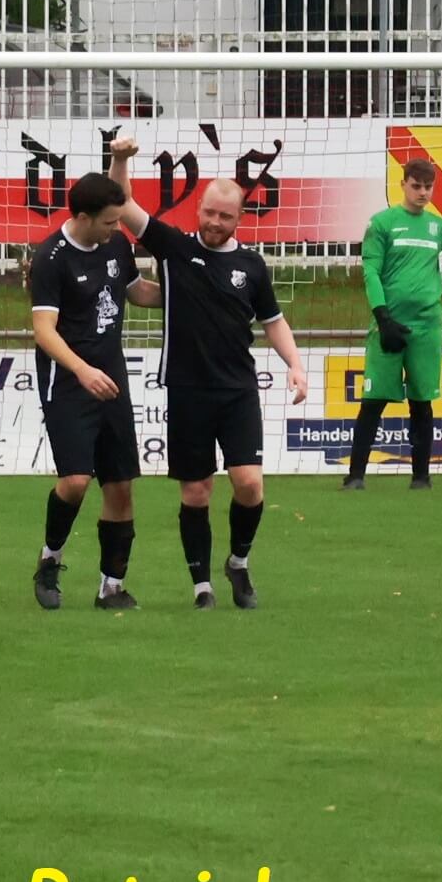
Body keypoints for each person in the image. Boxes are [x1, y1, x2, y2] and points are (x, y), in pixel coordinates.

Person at [107, 136, 307, 611]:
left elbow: (273, 321)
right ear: (199, 209)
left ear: (240, 218)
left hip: (238, 391)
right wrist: (119, 159)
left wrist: (296, 365)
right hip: (187, 390)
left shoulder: (251, 266)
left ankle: (238, 562)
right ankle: (201, 587)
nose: (216, 222)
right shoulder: (173, 248)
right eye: (210, 213)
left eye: (226, 216)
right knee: (196, 491)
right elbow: (122, 203)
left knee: (249, 484)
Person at [30, 173, 163, 612]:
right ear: (83, 217)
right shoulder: (51, 257)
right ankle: (50, 560)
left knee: (120, 486)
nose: (115, 228)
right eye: (108, 222)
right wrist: (83, 370)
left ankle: (112, 587)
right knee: (75, 482)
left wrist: (186, 292)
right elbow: (44, 331)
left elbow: (138, 292)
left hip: (112, 381)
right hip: (69, 381)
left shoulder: (117, 245)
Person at [343, 157, 442, 491]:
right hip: (388, 325)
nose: (423, 192)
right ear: (403, 184)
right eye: (416, 186)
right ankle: (355, 476)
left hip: (427, 326)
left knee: (421, 402)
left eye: (428, 187)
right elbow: (371, 271)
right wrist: (382, 316)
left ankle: (421, 478)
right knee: (374, 401)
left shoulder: (439, 227)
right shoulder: (382, 223)